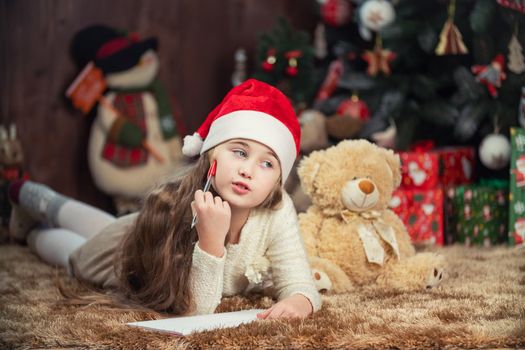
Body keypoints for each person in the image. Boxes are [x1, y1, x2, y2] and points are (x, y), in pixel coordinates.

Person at [8, 79, 321, 319]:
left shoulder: (279, 211)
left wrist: (299, 301)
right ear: (212, 154)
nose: (248, 171)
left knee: (110, 224)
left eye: (267, 163)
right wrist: (211, 242)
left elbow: (300, 279)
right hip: (127, 251)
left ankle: (36, 204)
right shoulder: (180, 206)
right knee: (77, 259)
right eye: (239, 151)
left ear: (278, 180)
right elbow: (196, 313)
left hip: (126, 227)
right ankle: (34, 221)